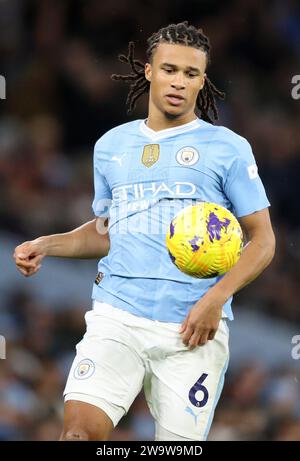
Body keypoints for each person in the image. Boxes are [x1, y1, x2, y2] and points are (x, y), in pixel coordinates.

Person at [14, 21, 275, 441]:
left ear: (202, 80)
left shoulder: (227, 147)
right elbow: (109, 230)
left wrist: (216, 299)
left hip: (193, 328)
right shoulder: (111, 146)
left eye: (190, 74)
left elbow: (263, 240)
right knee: (77, 434)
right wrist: (48, 244)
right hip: (117, 315)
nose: (179, 82)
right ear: (150, 71)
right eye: (169, 70)